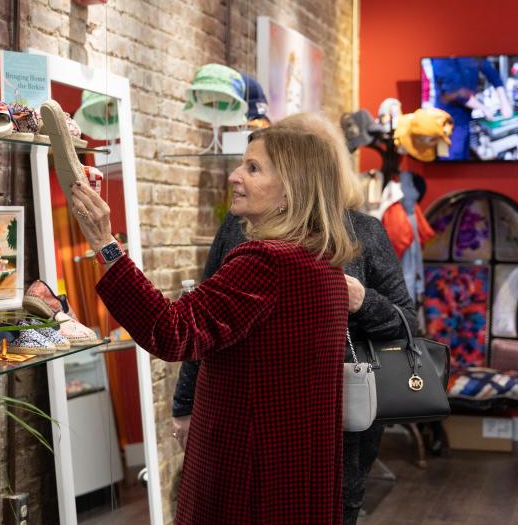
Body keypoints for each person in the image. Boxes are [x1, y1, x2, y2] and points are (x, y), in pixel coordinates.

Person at [68, 112, 358, 524]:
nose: (234, 176)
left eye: (253, 168)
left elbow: (170, 331)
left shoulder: (265, 262)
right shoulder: (321, 262)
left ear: (290, 192)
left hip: (247, 479)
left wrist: (104, 243)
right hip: (296, 474)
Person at [172, 114, 419, 524]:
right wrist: (185, 405)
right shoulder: (240, 227)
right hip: (251, 415)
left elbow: (407, 322)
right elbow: (204, 318)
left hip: (341, 414)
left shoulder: (363, 232)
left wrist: (362, 301)